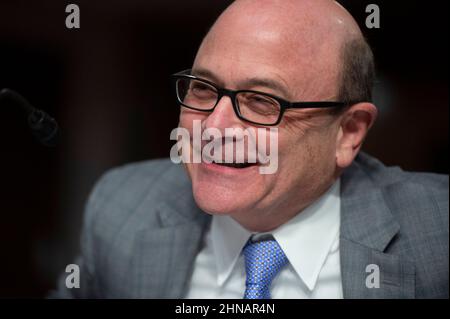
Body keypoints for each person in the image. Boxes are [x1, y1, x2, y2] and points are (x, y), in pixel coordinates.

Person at [51, 0, 448, 299]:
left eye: (261, 100)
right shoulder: (120, 208)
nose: (214, 127)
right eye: (203, 89)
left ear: (348, 132)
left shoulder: (437, 234)